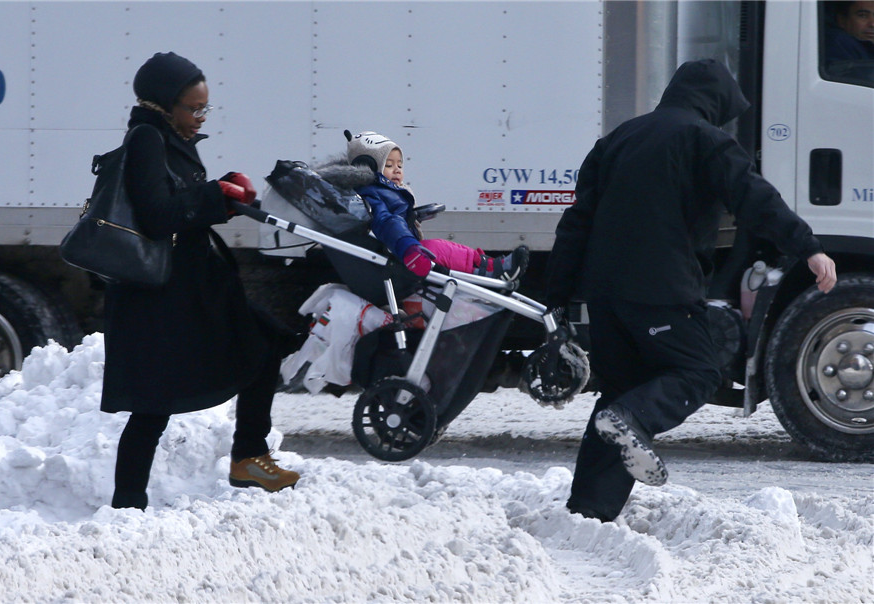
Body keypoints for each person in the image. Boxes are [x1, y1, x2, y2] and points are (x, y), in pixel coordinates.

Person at [544, 59, 837, 523]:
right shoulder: (707, 140)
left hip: (604, 293)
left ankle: (589, 513)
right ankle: (633, 423)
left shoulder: (618, 139)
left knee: (622, 392)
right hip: (661, 287)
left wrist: (556, 296)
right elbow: (755, 198)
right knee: (697, 370)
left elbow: (577, 222)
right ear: (715, 100)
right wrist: (808, 248)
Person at [101, 52, 299, 510]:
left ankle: (249, 455)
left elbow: (178, 200)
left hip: (189, 287)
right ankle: (127, 504)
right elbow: (156, 215)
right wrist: (215, 196)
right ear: (163, 105)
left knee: (264, 342)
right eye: (193, 108)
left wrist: (224, 191)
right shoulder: (147, 139)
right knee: (152, 404)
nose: (199, 117)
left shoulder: (165, 137)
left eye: (204, 108)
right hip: (162, 296)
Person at [343, 131, 529, 282]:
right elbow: (386, 222)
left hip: (397, 253)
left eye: (400, 164)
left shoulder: (383, 191)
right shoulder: (372, 195)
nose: (398, 169)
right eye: (389, 165)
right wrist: (407, 246)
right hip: (398, 256)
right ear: (367, 167)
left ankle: (489, 265)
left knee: (444, 247)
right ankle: (489, 272)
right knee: (438, 249)